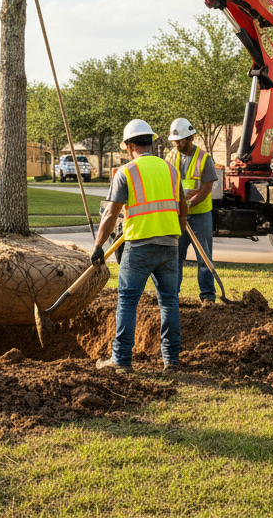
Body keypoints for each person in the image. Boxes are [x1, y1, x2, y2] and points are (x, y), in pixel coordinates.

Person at [92, 119, 188, 373]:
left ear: (130, 145)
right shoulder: (170, 170)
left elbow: (111, 214)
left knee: (127, 301)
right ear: (150, 142)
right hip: (169, 245)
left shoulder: (126, 172)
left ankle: (121, 360)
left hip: (139, 247)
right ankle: (171, 359)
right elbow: (183, 207)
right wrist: (178, 228)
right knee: (169, 301)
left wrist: (98, 245)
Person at [166, 117, 218, 303]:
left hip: (199, 216)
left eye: (179, 141)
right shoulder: (171, 157)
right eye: (174, 141)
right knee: (175, 256)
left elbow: (206, 189)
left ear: (190, 138)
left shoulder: (204, 159)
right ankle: (172, 295)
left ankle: (208, 297)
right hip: (178, 215)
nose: (176, 144)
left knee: (204, 257)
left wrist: (188, 205)